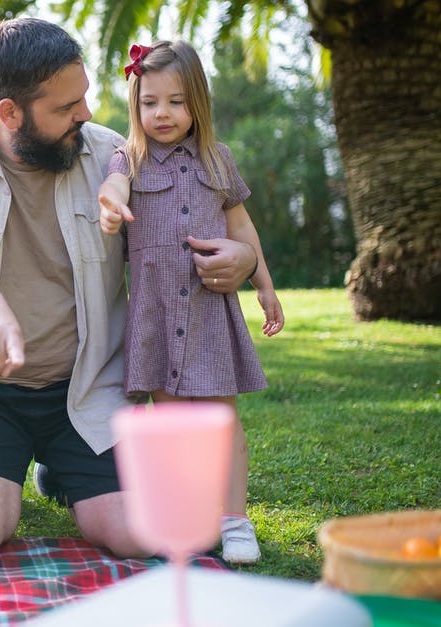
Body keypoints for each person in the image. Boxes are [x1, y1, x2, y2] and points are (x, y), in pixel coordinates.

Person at [0, 17, 260, 564]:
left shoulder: (115, 155)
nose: (86, 114)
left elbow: (195, 225)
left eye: (84, 97)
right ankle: (7, 462)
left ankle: (60, 469)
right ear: (10, 113)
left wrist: (243, 257)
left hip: (88, 387)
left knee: (144, 534)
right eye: (67, 107)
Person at [97, 40, 284, 564]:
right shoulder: (127, 159)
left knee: (222, 422)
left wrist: (263, 284)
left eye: (176, 101)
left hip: (208, 312)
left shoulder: (216, 158)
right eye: (150, 101)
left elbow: (241, 225)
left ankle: (234, 518)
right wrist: (111, 204)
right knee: (172, 423)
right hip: (155, 315)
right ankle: (189, 516)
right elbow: (112, 186)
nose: (162, 113)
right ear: (135, 105)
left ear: (197, 102)